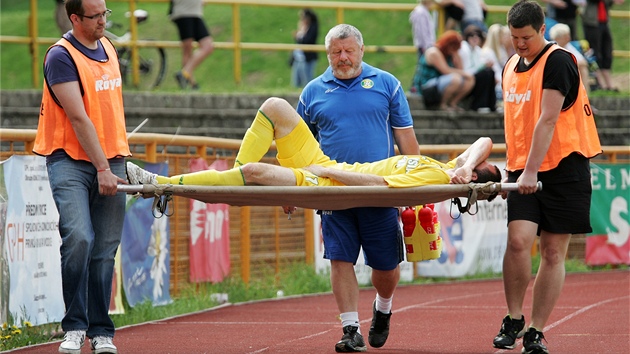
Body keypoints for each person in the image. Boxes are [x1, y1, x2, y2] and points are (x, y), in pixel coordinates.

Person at [296, 24, 421, 353]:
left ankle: (383, 307)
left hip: (379, 189)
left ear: (362, 50)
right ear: (327, 55)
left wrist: (420, 184)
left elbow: (406, 139)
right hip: (333, 191)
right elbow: (297, 147)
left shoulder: (387, 84)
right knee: (340, 259)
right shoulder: (311, 92)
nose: (343, 58)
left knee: (386, 267)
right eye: (336, 52)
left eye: (349, 50)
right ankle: (350, 328)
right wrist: (291, 188)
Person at [492, 1, 602, 354]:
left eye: (525, 37)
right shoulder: (511, 64)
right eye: (513, 37)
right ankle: (513, 317)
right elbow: (516, 122)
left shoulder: (558, 61)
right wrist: (515, 166)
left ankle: (537, 330)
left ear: (542, 29)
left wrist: (530, 170)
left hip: (563, 167)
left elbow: (548, 119)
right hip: (524, 166)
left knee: (553, 252)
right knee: (518, 241)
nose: (519, 44)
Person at [32, 0, 131, 353]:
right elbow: (78, 117)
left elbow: (111, 109)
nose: (104, 20)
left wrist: (118, 157)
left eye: (106, 13)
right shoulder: (60, 57)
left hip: (112, 159)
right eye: (96, 16)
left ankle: (102, 331)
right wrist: (102, 167)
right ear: (75, 18)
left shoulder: (108, 47)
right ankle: (74, 326)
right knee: (79, 238)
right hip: (70, 161)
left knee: (105, 250)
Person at [126, 97, 501, 189]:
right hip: (325, 163)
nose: (474, 162)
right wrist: (466, 164)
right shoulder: (449, 167)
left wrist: (322, 170)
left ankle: (161, 184)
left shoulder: (435, 182)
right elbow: (484, 139)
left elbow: (377, 184)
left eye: (480, 168)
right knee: (275, 107)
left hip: (328, 180)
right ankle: (234, 172)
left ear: (473, 182)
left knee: (257, 172)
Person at [412, 30, 475, 111]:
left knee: (470, 80)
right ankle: (442, 104)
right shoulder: (434, 52)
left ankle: (453, 103)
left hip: (441, 83)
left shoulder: (451, 54)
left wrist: (457, 57)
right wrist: (465, 73)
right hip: (427, 85)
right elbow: (446, 71)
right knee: (456, 79)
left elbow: (460, 70)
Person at [170, 0, 214, 90]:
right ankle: (192, 84)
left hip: (195, 13)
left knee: (208, 46)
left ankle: (185, 74)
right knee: (187, 49)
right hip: (183, 13)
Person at [581, 0, 625, 91]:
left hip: (603, 22)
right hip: (591, 23)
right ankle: (600, 83)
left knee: (607, 52)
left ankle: (609, 83)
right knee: (595, 53)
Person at [458, 25, 497, 112]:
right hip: (466, 78)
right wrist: (483, 66)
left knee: (490, 72)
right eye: (472, 35)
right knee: (486, 73)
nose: (475, 38)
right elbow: (467, 70)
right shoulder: (464, 48)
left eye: (478, 36)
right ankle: (479, 104)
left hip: (473, 77)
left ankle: (491, 105)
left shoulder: (477, 50)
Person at [548, 23, 592, 93]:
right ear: (557, 38)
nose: (569, 38)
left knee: (583, 69)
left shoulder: (568, 46)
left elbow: (583, 62)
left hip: (565, 71)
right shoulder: (550, 47)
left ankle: (584, 95)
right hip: (553, 74)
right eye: (566, 36)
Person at [290, 8, 319, 88]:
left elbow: (307, 40)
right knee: (296, 81)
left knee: (308, 81)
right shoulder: (302, 27)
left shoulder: (312, 27)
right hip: (298, 57)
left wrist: (299, 36)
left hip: (307, 57)